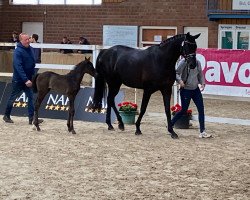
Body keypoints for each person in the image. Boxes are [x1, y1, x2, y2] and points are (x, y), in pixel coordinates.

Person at [2, 33, 43, 125]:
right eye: (26, 40)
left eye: (28, 39)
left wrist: (33, 76)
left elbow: (33, 62)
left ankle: (31, 118)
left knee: (31, 98)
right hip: (19, 80)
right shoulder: (18, 51)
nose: (28, 41)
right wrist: (25, 80)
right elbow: (18, 66)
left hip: (29, 79)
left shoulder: (31, 49)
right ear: (21, 41)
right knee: (13, 98)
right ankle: (6, 115)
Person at [170, 56, 212, 138]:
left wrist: (202, 83)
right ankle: (170, 124)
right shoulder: (183, 62)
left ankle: (202, 131)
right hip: (186, 89)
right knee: (183, 110)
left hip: (195, 89)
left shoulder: (197, 62)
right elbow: (176, 73)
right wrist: (180, 81)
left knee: (201, 109)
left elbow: (200, 74)